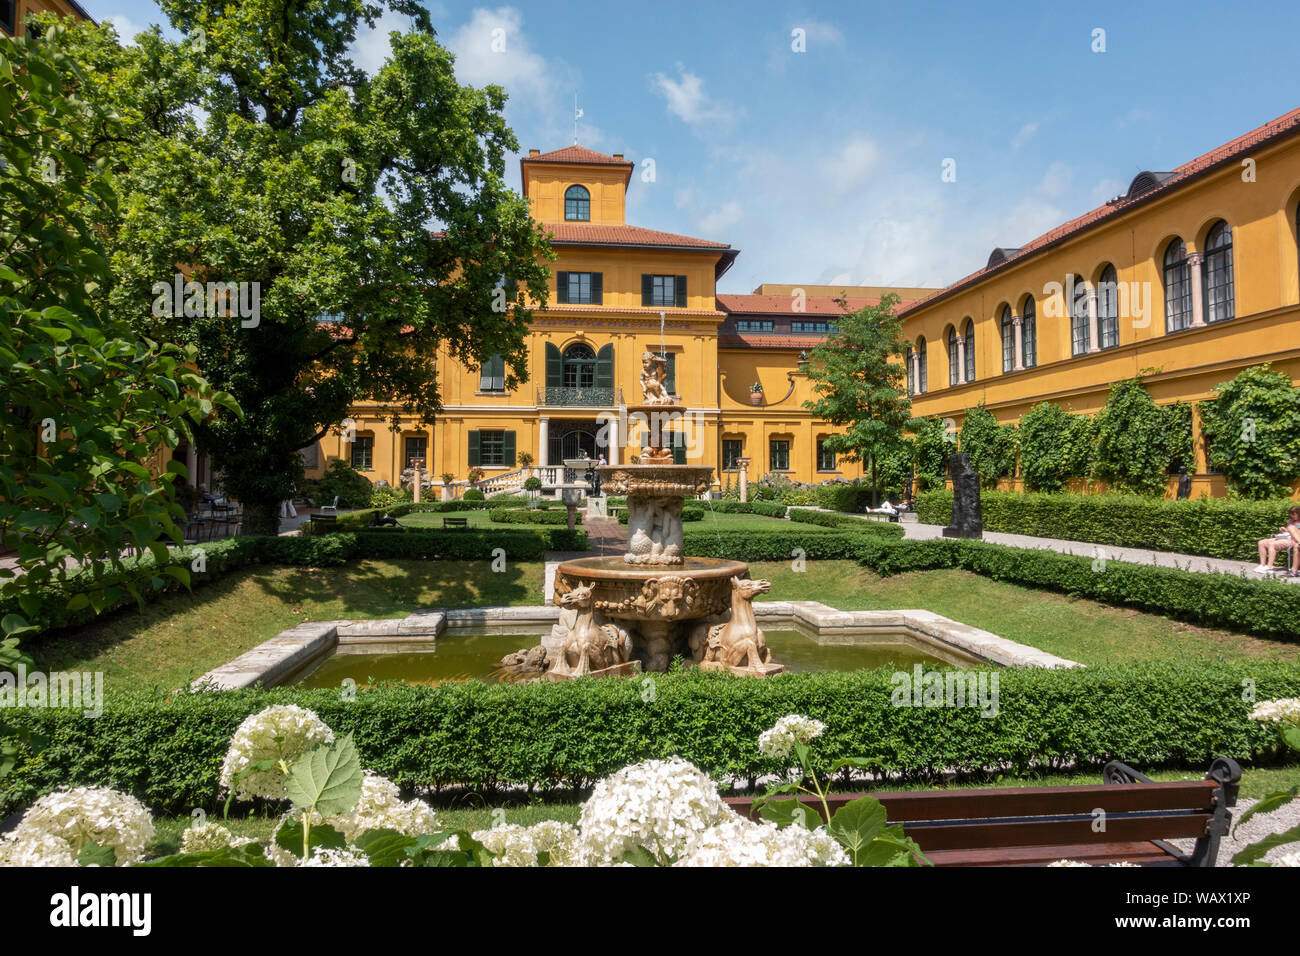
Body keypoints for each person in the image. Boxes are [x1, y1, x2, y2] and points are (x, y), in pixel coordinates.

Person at [1254, 506, 1300, 574]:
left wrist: (1290, 529)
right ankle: (1262, 565)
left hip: (1293, 540)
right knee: (1261, 542)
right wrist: (1284, 529)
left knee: (1272, 544)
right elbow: (1289, 530)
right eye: (1291, 514)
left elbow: (1296, 532)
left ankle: (1270, 567)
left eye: (1294, 514)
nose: (1292, 516)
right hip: (1285, 537)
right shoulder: (1291, 521)